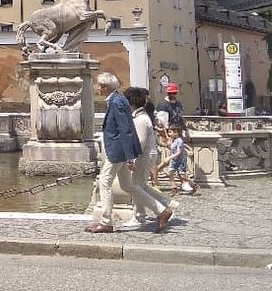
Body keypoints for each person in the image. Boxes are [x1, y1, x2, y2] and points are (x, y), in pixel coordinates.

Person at [85, 73, 173, 234]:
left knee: (104, 182)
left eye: (99, 85)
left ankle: (106, 222)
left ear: (105, 87)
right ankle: (161, 210)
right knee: (128, 185)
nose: (97, 88)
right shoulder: (117, 100)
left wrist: (129, 156)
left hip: (117, 151)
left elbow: (125, 130)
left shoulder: (117, 102)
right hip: (121, 151)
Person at [124, 87, 177, 229]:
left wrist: (131, 159)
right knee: (141, 186)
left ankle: (142, 216)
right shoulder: (141, 117)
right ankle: (166, 204)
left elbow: (139, 143)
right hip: (147, 155)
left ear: (131, 102)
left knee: (135, 186)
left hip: (143, 156)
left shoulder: (141, 119)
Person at [165, 125, 198, 195]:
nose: (169, 134)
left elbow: (179, 152)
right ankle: (173, 188)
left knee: (182, 176)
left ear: (176, 132)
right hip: (174, 160)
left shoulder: (179, 141)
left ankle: (194, 184)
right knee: (170, 173)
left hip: (180, 160)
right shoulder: (173, 140)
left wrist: (169, 157)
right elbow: (171, 148)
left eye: (170, 132)